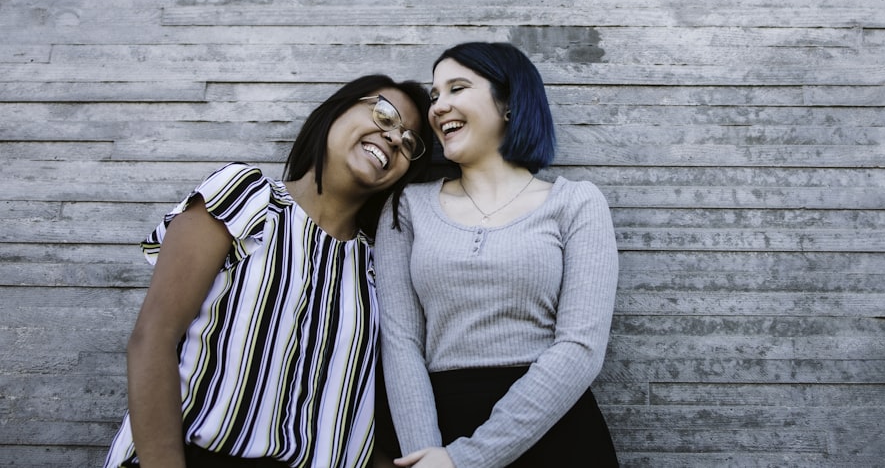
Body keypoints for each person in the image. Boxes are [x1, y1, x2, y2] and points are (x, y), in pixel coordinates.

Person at [104, 74, 434, 468]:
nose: (396, 138)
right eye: (384, 115)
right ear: (336, 111)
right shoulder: (249, 198)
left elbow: (354, 419)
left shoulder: (378, 267)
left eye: (410, 142)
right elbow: (152, 337)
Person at [373, 42, 620, 468]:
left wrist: (467, 460)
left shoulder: (576, 202)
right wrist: (426, 457)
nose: (437, 107)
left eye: (457, 88)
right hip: (437, 430)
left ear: (508, 102)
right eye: (435, 95)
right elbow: (400, 342)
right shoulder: (407, 206)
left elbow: (580, 347)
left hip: (555, 430)